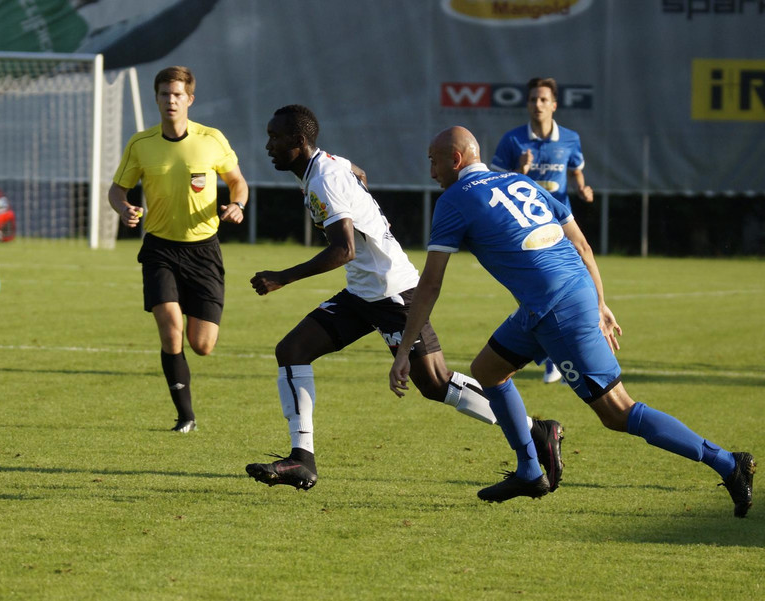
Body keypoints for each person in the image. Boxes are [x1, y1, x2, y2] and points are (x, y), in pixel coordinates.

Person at [390, 126, 755, 517]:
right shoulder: (520, 180)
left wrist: (405, 351)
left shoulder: (454, 199)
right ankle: (530, 469)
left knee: (618, 411)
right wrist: (600, 300)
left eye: (433, 160)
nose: (430, 171)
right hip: (554, 299)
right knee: (488, 371)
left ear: (456, 159)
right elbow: (580, 244)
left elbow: (429, 284)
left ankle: (729, 463)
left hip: (556, 308)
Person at [244, 105, 563, 491]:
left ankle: (536, 430)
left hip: (393, 291)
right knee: (292, 349)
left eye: (275, 138)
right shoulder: (325, 166)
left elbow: (343, 249)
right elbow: (356, 171)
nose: (267, 145)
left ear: (299, 141)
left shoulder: (323, 178)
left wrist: (283, 277)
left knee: (435, 383)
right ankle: (302, 459)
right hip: (363, 292)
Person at [108, 66, 249, 433]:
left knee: (201, 345)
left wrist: (237, 205)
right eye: (163, 94)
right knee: (171, 331)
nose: (170, 100)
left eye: (176, 94)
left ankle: (187, 399)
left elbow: (237, 182)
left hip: (204, 250)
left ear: (189, 99)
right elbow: (117, 190)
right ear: (156, 98)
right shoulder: (141, 143)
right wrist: (124, 209)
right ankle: (185, 417)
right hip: (160, 250)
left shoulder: (211, 139)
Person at [491, 77, 593, 385]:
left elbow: (575, 170)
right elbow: (494, 185)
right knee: (540, 290)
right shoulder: (513, 141)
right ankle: (552, 357)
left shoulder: (570, 139)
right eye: (533, 99)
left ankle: (564, 353)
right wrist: (519, 171)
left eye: (543, 99)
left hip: (561, 223)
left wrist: (582, 188)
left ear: (554, 105)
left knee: (574, 283)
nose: (537, 104)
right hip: (526, 228)